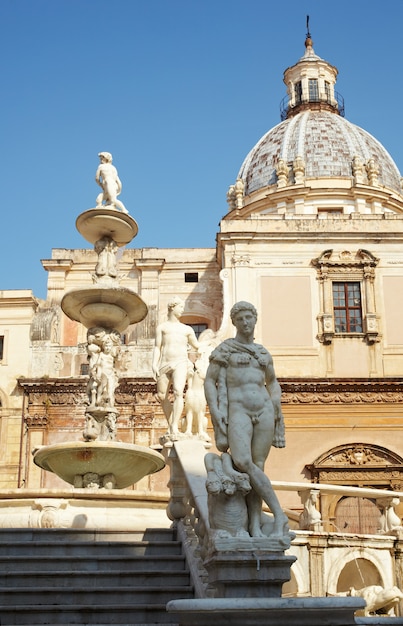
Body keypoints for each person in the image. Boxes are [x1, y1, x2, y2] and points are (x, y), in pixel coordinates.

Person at [204, 301, 289, 542]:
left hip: (264, 410)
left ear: (255, 319)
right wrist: (215, 409)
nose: (245, 322)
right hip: (238, 410)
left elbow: (272, 382)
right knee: (243, 461)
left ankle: (255, 524)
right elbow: (210, 381)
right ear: (234, 322)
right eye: (240, 318)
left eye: (249, 317)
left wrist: (275, 403)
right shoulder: (226, 350)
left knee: (257, 466)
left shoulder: (263, 353)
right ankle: (279, 514)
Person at [152, 297, 200, 438]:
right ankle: (171, 423)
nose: (182, 309)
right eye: (180, 306)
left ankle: (174, 427)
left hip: (180, 362)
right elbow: (157, 347)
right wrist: (154, 364)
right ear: (172, 307)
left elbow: (196, 345)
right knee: (162, 396)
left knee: (179, 392)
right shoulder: (162, 328)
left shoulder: (187, 329)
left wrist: (211, 344)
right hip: (164, 363)